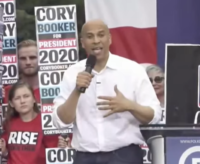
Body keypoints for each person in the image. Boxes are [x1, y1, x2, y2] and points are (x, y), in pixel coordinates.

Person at [52, 19, 161, 164]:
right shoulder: (72, 73)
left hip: (125, 155)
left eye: (101, 35)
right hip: (85, 157)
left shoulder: (132, 70)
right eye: (90, 37)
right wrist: (77, 91)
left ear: (109, 39)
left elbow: (154, 116)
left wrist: (130, 106)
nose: (96, 41)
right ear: (82, 42)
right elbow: (61, 121)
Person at [0, 82, 59, 164]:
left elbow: (54, 154)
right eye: (17, 98)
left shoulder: (46, 122)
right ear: (11, 103)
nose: (22, 101)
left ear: (34, 99)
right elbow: (7, 154)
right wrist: (4, 151)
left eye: (26, 96)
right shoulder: (8, 124)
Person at [0, 39, 40, 105]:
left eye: (32, 57)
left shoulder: (55, 89)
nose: (28, 62)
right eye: (23, 58)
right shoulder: (5, 91)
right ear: (16, 60)